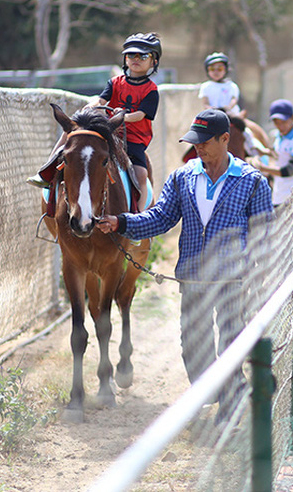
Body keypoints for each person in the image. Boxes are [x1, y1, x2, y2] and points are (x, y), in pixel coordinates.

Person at [97, 109, 272, 421]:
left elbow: (264, 235)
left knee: (230, 340)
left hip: (233, 279)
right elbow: (162, 217)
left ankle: (230, 406)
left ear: (225, 139)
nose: (199, 148)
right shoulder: (183, 177)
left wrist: (262, 276)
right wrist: (121, 222)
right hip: (193, 277)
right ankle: (221, 391)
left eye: (205, 142)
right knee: (193, 345)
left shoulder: (252, 182)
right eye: (195, 142)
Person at [30, 32, 161, 212]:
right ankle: (49, 168)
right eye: (131, 55)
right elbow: (101, 101)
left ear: (154, 62)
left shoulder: (151, 90)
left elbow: (141, 115)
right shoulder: (115, 82)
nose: (136, 59)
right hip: (107, 131)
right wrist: (88, 108)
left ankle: (138, 217)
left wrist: (123, 116)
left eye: (143, 56)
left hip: (133, 139)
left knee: (141, 175)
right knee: (71, 132)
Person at [253, 98, 293, 206]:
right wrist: (264, 152)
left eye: (283, 122)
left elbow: (289, 170)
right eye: (276, 122)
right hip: (281, 196)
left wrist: (261, 168)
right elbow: (279, 154)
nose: (280, 126)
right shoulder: (280, 136)